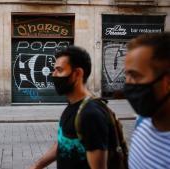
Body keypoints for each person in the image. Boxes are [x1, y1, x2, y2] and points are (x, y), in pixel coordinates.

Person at [29, 46, 116, 169]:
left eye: (59, 70)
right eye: (54, 70)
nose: (53, 75)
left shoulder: (90, 114)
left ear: (77, 74)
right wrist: (37, 166)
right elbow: (64, 141)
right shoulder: (73, 105)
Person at [124, 33, 170, 169]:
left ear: (167, 82)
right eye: (126, 75)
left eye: (135, 76)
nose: (127, 84)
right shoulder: (143, 120)